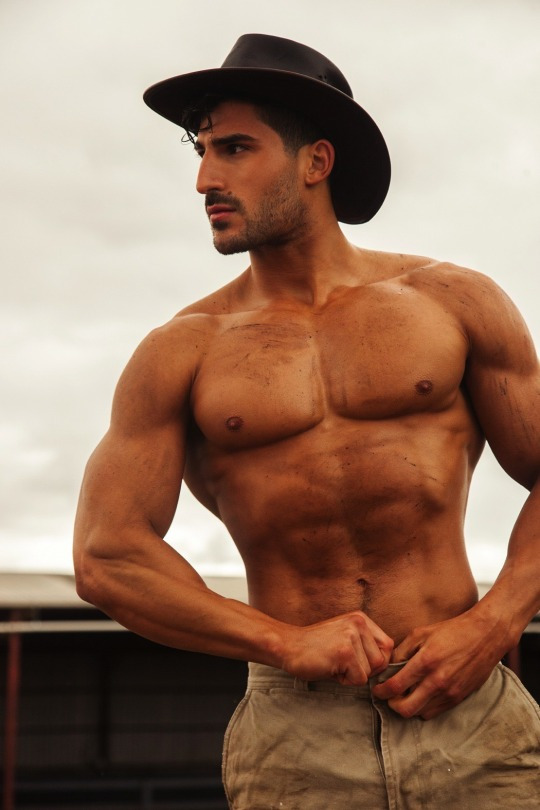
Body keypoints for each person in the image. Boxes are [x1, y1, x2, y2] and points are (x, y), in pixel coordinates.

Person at [73, 34, 540, 808]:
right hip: (297, 737)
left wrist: (496, 623)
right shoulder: (180, 352)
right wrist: (283, 642)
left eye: (234, 149)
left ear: (315, 161)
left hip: (471, 713)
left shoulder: (454, 302)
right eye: (200, 152)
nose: (204, 179)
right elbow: (106, 556)